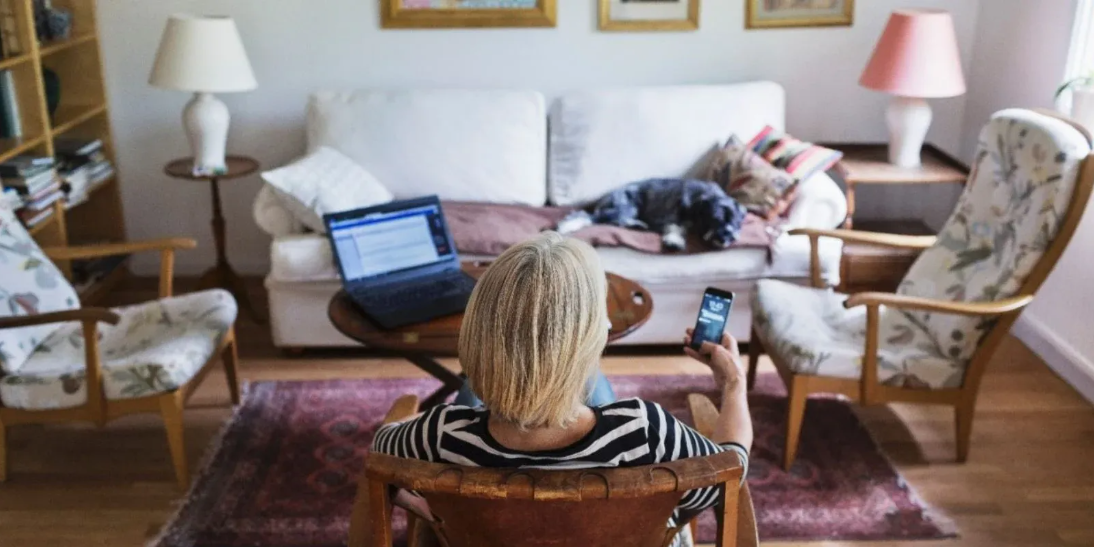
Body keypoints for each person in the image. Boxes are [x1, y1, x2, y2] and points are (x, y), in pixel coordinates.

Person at [371, 232, 752, 542]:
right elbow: (729, 472)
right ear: (591, 338)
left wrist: (434, 506)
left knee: (469, 398)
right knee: (596, 387)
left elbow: (381, 460)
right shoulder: (644, 431)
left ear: (477, 333)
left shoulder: (440, 435)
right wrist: (733, 383)